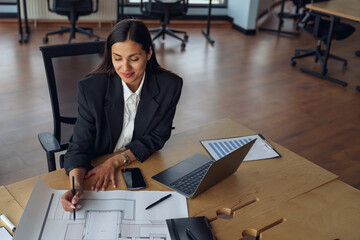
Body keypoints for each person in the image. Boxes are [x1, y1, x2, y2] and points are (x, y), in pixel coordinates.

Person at [60, 19, 183, 212]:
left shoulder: (170, 86)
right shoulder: (92, 89)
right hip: (95, 172)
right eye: (117, 58)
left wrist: (116, 161)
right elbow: (79, 146)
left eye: (134, 58)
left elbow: (158, 136)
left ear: (149, 53)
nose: (125, 68)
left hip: (138, 165)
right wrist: (75, 186)